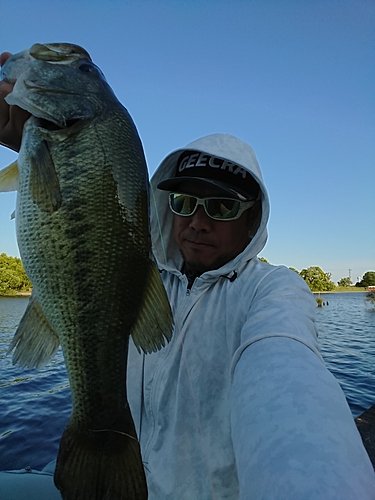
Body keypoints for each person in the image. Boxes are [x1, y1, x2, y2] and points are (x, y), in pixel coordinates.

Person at [1, 52, 375, 500]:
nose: (197, 221)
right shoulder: (139, 276)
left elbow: (289, 380)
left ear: (252, 221)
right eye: (183, 201)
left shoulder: (271, 291)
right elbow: (85, 212)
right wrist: (36, 144)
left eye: (220, 206)